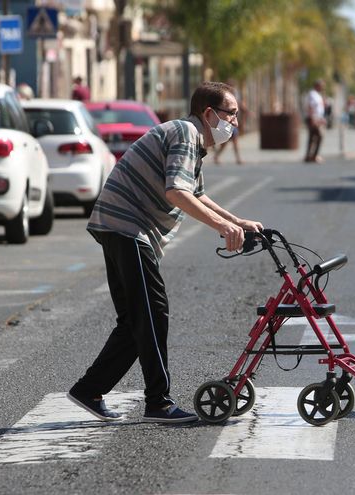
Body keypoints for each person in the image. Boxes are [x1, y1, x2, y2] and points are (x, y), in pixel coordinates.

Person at [67, 82, 264, 424]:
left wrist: (236, 221)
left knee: (134, 321)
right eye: (231, 114)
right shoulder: (186, 134)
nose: (234, 122)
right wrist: (222, 228)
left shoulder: (190, 139)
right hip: (127, 227)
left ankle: (89, 389)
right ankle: (158, 402)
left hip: (117, 225)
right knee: (153, 312)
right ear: (209, 113)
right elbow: (176, 192)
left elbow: (196, 194)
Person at [214, 83, 245, 165]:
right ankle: (216, 156)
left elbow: (239, 106)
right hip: (227, 123)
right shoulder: (225, 97)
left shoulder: (233, 97)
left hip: (233, 122)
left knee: (235, 141)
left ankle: (238, 158)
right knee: (224, 143)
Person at [304, 79, 326, 163]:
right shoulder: (312, 94)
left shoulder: (318, 95)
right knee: (320, 135)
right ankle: (313, 155)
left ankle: (309, 155)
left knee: (312, 137)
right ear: (317, 86)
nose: (323, 88)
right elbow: (311, 107)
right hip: (313, 118)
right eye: (322, 86)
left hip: (317, 118)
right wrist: (313, 118)